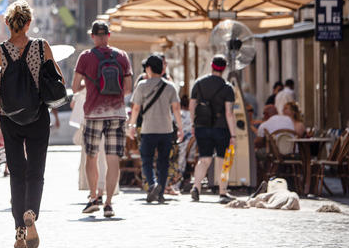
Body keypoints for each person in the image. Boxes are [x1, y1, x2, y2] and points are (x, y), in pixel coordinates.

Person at [0, 0, 63, 248]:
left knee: (16, 173)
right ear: (29, 23)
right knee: (36, 171)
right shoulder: (42, 47)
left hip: (10, 118)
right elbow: (58, 79)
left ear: (8, 23)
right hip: (38, 115)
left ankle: (19, 231)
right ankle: (31, 212)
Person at [72, 20, 132, 218]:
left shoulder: (86, 57)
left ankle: (93, 197)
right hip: (117, 114)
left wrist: (88, 86)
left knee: (92, 156)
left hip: (94, 114)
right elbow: (128, 88)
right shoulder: (122, 56)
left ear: (92, 36)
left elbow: (74, 87)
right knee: (112, 158)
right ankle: (108, 204)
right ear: (108, 35)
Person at [127, 54, 183, 203]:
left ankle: (152, 185)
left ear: (149, 69)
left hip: (148, 129)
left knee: (146, 160)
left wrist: (132, 125)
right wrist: (180, 129)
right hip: (166, 130)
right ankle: (161, 192)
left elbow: (136, 108)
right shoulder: (170, 86)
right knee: (163, 162)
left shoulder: (142, 86)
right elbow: (176, 109)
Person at [189, 54, 238, 204]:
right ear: (224, 69)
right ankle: (223, 191)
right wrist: (234, 135)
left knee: (204, 159)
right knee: (223, 160)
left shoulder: (199, 83)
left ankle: (196, 187)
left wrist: (193, 123)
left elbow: (192, 106)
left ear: (211, 66)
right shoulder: (227, 88)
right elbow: (229, 113)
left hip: (202, 126)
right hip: (221, 128)